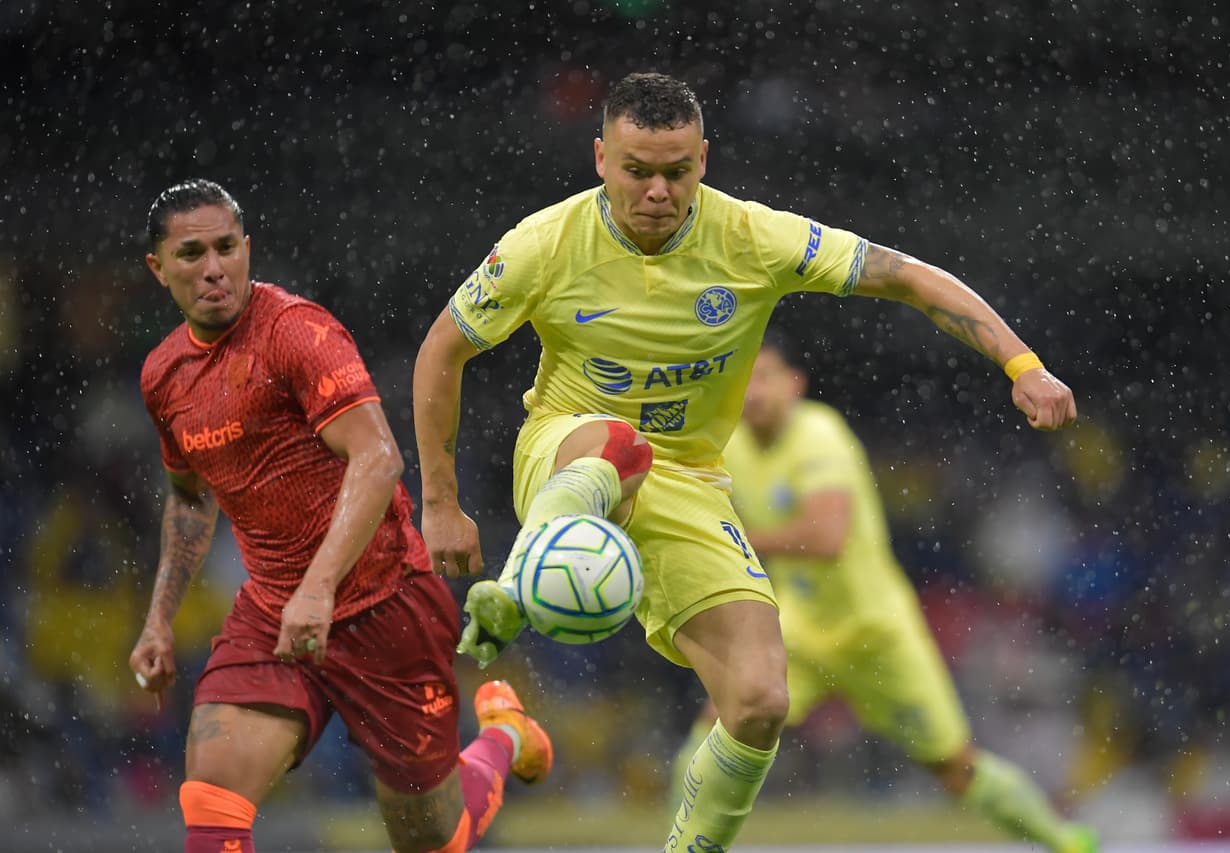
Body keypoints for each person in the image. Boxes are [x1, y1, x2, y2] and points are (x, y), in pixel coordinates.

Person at [412, 72, 1077, 852]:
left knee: (759, 700)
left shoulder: (752, 237)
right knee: (622, 443)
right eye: (637, 170)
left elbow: (904, 275)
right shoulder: (544, 244)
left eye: (678, 170)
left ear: (704, 159)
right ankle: (519, 589)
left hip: (691, 480)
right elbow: (442, 350)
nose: (658, 190)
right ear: (599, 158)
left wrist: (1022, 362)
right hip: (569, 451)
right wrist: (440, 501)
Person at [129, 179, 553, 853]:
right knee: (211, 797)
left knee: (432, 839)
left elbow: (379, 459)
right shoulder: (164, 376)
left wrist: (320, 585)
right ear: (159, 268)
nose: (213, 266)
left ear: (247, 248)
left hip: (388, 605)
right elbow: (188, 497)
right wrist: (159, 618)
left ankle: (503, 736)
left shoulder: (296, 332)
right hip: (275, 612)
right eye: (191, 253)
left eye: (226, 247)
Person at [668, 333, 1097, 853]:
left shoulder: (819, 435)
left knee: (955, 768)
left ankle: (1066, 842)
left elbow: (826, 536)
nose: (753, 392)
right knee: (716, 728)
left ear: (794, 385)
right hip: (800, 628)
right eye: (744, 380)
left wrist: (729, 536)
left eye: (765, 377)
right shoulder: (729, 444)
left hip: (877, 633)